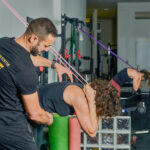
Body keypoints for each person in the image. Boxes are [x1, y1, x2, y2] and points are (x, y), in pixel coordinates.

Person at [0, 18, 73, 150]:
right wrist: (48, 119)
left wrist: (54, 64)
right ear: (33, 39)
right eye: (46, 46)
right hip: (13, 130)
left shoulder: (3, 43)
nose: (46, 50)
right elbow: (35, 114)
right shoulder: (26, 71)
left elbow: (28, 58)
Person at [37, 67, 144, 138]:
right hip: (26, 108)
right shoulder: (78, 96)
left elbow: (94, 123)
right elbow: (92, 132)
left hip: (35, 112)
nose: (96, 112)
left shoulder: (83, 93)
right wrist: (92, 101)